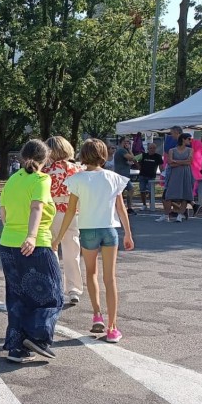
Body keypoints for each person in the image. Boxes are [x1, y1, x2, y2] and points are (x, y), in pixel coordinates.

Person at [54, 138, 134, 344]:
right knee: (110, 278)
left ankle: (97, 314)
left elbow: (70, 211)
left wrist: (59, 237)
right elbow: (121, 209)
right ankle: (112, 327)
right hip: (109, 229)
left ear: (83, 155)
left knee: (91, 273)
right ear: (103, 155)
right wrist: (128, 233)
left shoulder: (77, 179)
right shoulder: (114, 178)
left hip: (88, 230)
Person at [0, 139, 64, 363]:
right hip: (36, 244)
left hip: (8, 243)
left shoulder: (12, 180)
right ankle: (38, 337)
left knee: (17, 297)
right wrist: (31, 235)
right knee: (52, 294)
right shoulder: (41, 179)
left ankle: (17, 347)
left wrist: (15, 232)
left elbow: (3, 213)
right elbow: (36, 207)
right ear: (46, 159)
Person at [43, 136, 84, 305]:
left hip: (52, 212)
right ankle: (74, 289)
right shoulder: (78, 169)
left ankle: (54, 287)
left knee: (51, 249)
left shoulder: (45, 171)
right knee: (72, 251)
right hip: (73, 213)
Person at [157, 133, 194, 222]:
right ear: (183, 139)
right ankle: (166, 214)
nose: (190, 141)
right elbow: (170, 163)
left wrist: (176, 161)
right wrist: (183, 162)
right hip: (174, 174)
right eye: (189, 139)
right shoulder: (172, 150)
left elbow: (189, 162)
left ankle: (180, 215)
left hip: (185, 173)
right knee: (169, 195)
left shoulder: (190, 150)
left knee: (185, 194)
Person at [113, 136, 136, 215]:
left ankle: (122, 208)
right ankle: (127, 208)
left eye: (128, 142)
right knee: (130, 189)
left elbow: (128, 160)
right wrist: (129, 149)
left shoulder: (122, 151)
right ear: (121, 142)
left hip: (123, 175)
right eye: (125, 142)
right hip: (121, 176)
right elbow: (132, 158)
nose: (127, 143)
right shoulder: (122, 150)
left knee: (121, 192)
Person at [137, 143, 163, 210]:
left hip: (151, 177)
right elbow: (134, 159)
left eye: (154, 148)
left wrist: (163, 174)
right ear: (148, 149)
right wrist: (138, 166)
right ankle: (144, 204)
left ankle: (151, 204)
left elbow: (161, 167)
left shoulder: (158, 156)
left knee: (151, 191)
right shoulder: (143, 155)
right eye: (151, 148)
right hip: (142, 175)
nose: (152, 149)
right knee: (142, 190)